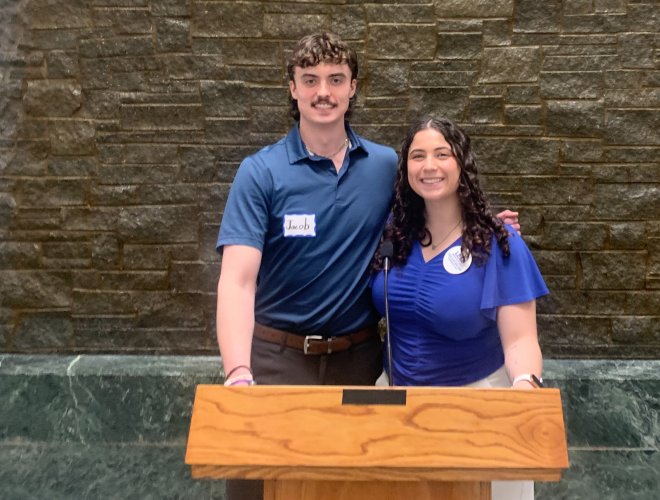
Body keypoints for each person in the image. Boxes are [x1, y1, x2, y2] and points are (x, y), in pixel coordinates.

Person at [215, 33, 519, 499]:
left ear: (353, 88)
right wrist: (238, 372)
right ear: (292, 88)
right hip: (278, 362)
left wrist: (483, 227)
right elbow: (237, 282)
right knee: (263, 488)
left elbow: (431, 207)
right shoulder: (261, 173)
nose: (323, 91)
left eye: (336, 79)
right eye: (310, 79)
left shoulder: (382, 165)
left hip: (361, 363)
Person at [369, 116, 548, 499]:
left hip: (477, 406)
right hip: (399, 404)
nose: (429, 166)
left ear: (461, 165)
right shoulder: (394, 234)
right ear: (406, 170)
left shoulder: (499, 245)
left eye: (441, 154)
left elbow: (520, 341)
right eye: (417, 156)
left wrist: (525, 389)